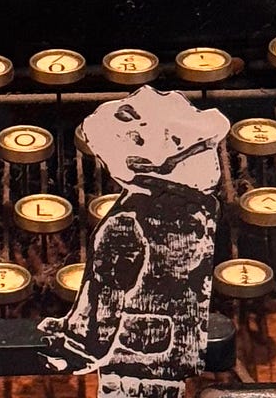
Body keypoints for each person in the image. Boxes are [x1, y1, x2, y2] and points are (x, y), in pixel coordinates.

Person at [39, 87, 231, 398]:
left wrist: (75, 346)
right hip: (179, 347)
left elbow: (104, 297)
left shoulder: (125, 221)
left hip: (130, 354)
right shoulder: (200, 212)